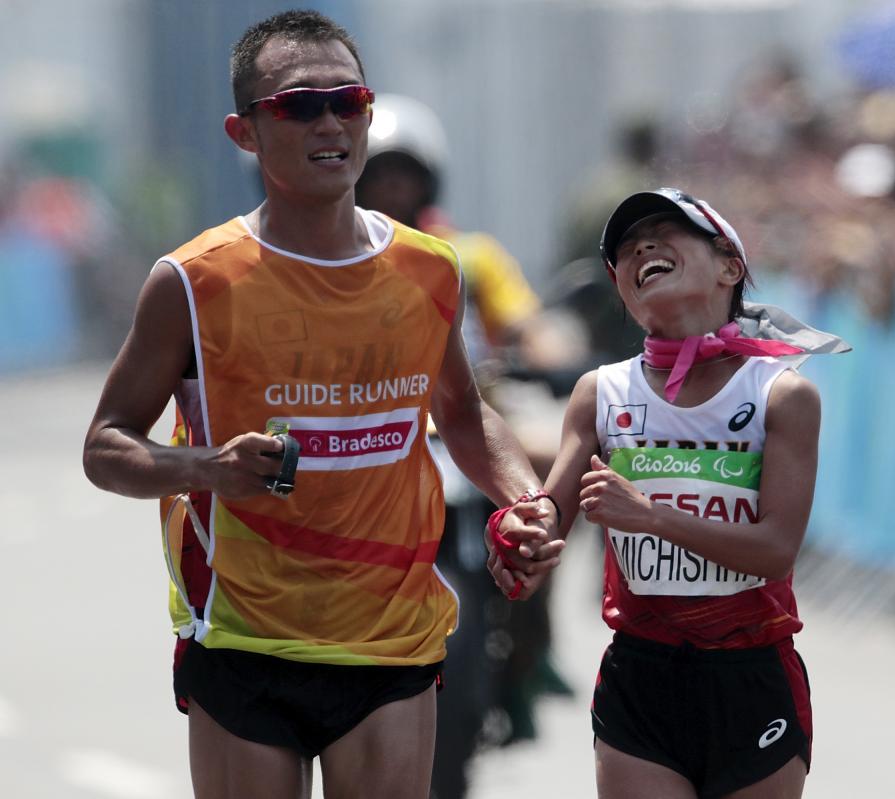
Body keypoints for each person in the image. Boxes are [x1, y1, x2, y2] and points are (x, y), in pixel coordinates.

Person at [81, 10, 560, 799]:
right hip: (244, 635)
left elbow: (466, 416)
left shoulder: (429, 268)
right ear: (245, 132)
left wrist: (526, 500)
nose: (331, 121)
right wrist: (207, 468)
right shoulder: (194, 281)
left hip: (390, 636)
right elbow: (105, 445)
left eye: (349, 100)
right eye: (300, 106)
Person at [489, 188, 848, 798]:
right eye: (626, 249)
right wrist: (515, 539)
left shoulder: (782, 395)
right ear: (625, 294)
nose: (642, 248)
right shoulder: (600, 392)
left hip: (751, 676)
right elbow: (546, 519)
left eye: (664, 232)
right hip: (642, 674)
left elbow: (775, 551)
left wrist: (650, 515)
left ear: (729, 267)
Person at [355, 93, 575, 796]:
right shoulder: (334, 261)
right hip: (373, 441)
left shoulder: (468, 258)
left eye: (405, 176)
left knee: (564, 479)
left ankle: (533, 638)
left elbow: (533, 325)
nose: (392, 190)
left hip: (465, 427)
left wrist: (553, 352)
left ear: (430, 181)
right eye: (380, 176)